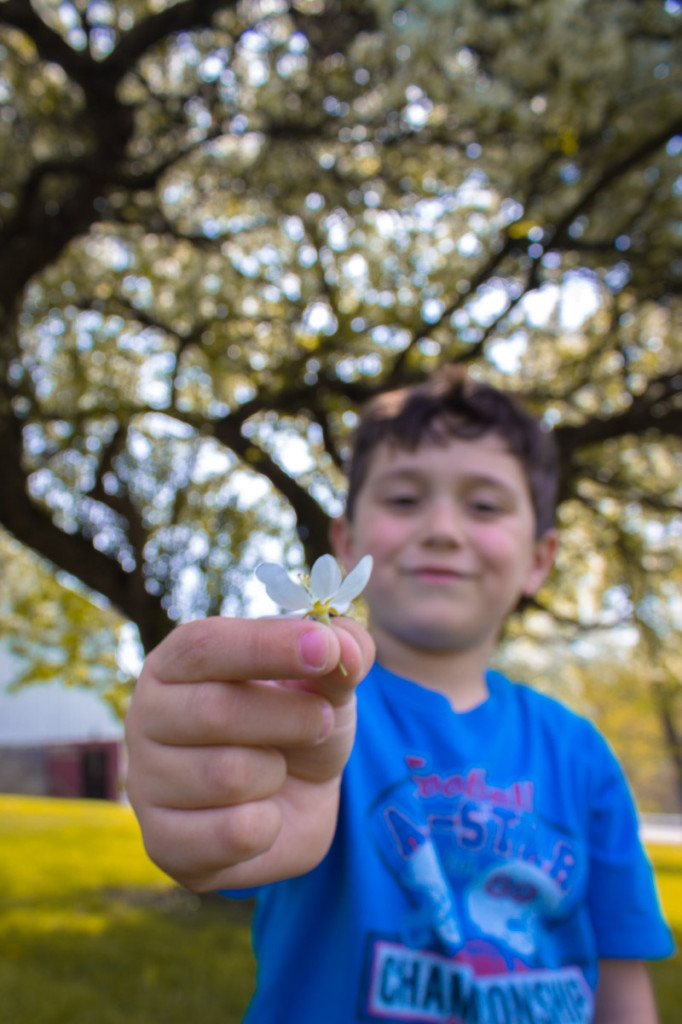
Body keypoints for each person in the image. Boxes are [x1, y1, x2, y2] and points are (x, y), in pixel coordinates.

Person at [125, 365, 673, 1024]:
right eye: (405, 499)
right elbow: (230, 831)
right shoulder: (306, 716)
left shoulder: (581, 756)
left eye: (485, 505)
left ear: (540, 557)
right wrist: (210, 802)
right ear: (346, 543)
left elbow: (622, 981)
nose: (442, 528)